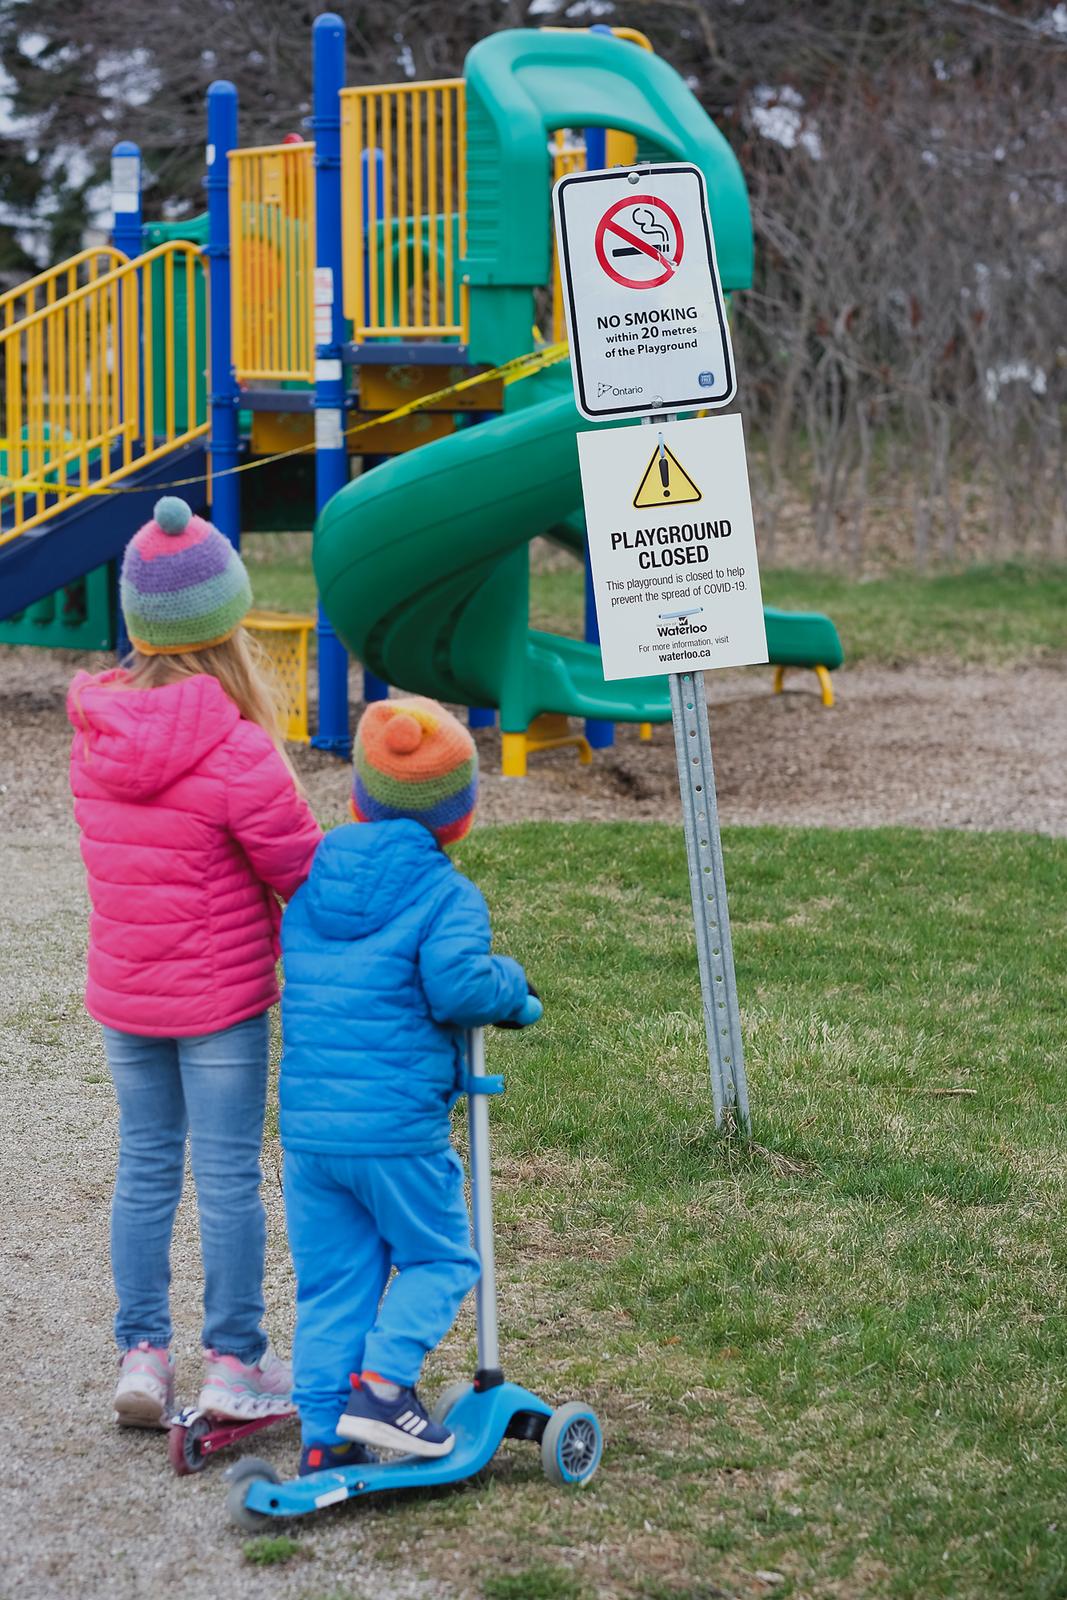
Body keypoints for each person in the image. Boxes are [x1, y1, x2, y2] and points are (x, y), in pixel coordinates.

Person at [68, 496, 322, 1429]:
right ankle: (233, 1364)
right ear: (228, 624)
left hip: (126, 995)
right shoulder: (238, 750)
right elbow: (302, 873)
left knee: (143, 1169)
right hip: (218, 1003)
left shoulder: (95, 741)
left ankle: (141, 1356)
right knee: (226, 1180)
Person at [279, 695, 541, 1475]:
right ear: (456, 817)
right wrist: (513, 988)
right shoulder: (445, 894)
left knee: (334, 1281)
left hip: (310, 1134)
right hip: (394, 1131)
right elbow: (457, 988)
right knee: (440, 1259)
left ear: (357, 794)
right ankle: (386, 1389)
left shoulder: (312, 879)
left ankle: (324, 1430)